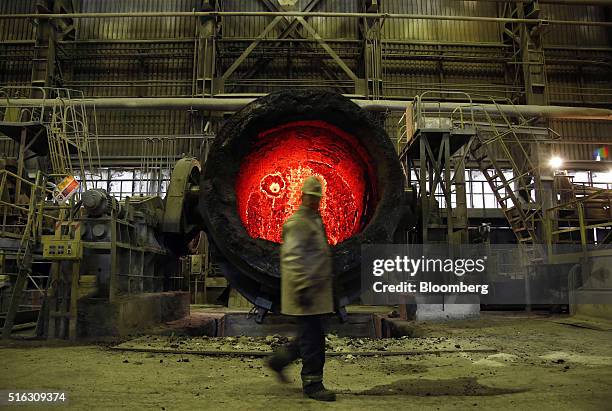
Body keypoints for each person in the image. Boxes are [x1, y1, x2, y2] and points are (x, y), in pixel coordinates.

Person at [266, 176, 336, 402]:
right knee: (313, 340)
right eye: (312, 198)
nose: (315, 202)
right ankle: (313, 385)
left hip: (315, 291)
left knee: (309, 336)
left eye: (318, 199)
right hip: (306, 292)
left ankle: (279, 360)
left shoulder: (313, 221)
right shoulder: (297, 223)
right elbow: (294, 259)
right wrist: (304, 288)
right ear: (303, 196)